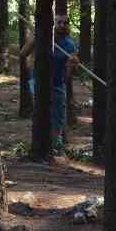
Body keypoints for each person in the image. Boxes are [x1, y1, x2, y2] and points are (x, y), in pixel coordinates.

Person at [20, 13, 78, 152]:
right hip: (38, 83)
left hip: (58, 83)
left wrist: (72, 65)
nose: (62, 25)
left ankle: (55, 144)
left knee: (58, 116)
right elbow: (23, 53)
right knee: (43, 112)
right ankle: (42, 144)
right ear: (53, 24)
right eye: (59, 23)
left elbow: (68, 76)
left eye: (65, 23)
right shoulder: (41, 39)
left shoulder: (69, 45)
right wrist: (35, 39)